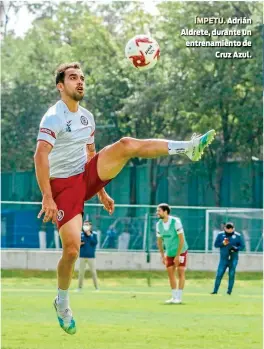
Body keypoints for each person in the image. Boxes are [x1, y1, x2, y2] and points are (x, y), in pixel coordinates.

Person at [34, 61, 215, 335]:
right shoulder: (53, 117)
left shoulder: (87, 117)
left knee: (127, 145)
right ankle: (62, 301)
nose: (80, 82)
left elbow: (90, 155)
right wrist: (47, 197)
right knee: (72, 249)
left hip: (85, 174)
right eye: (73, 78)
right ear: (61, 86)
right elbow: (40, 156)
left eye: (82, 77)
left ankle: (187, 147)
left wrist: (101, 191)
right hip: (62, 187)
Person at [156, 203, 188, 304]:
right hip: (169, 252)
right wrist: (162, 255)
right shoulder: (158, 225)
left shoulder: (176, 222)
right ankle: (174, 297)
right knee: (170, 273)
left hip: (181, 250)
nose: (157, 213)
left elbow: (181, 239)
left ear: (165, 212)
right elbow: (159, 241)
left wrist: (178, 255)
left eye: (159, 211)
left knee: (181, 272)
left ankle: (179, 297)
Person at [211, 222, 245, 295]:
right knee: (219, 274)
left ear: (233, 228)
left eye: (231, 228)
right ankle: (215, 291)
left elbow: (242, 246)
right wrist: (223, 243)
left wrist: (236, 248)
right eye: (227, 228)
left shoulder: (238, 235)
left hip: (233, 258)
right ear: (225, 228)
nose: (229, 230)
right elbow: (216, 245)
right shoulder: (220, 235)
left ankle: (229, 291)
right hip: (223, 258)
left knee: (231, 274)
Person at [76, 221, 99, 291]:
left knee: (93, 272)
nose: (85, 226)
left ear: (90, 226)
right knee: (81, 273)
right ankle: (79, 287)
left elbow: (94, 243)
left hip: (91, 257)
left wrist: (89, 235)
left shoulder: (94, 234)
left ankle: (96, 288)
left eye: (87, 225)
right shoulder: (81, 234)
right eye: (84, 224)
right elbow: (78, 243)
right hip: (82, 256)